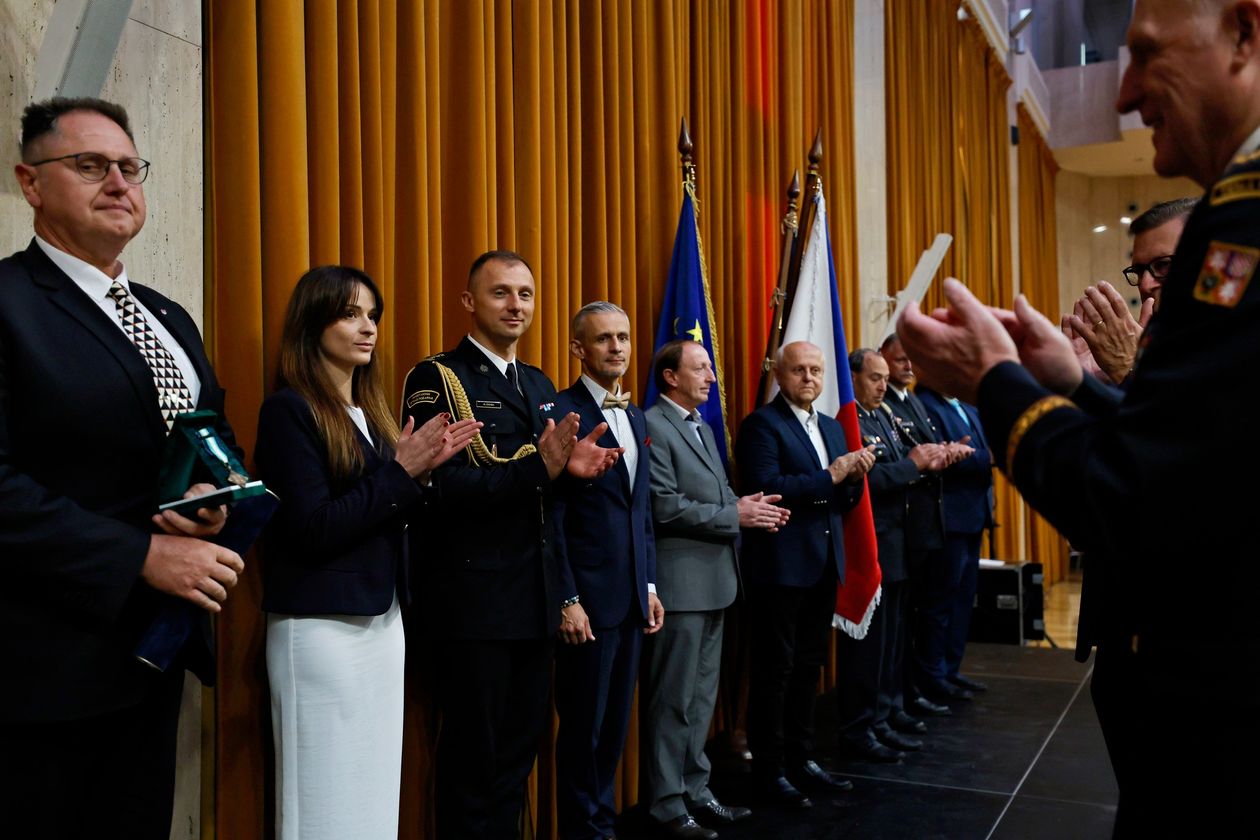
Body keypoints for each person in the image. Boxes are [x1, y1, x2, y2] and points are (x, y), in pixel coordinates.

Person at [897, 1, 1260, 833]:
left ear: (1243, 33)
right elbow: (1197, 447)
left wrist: (995, 381)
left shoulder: (1241, 225)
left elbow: (1140, 498)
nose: (1126, 92)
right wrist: (1069, 381)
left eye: (1146, 53)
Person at [0, 97, 245, 838]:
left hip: (154, 654)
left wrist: (216, 490)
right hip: (42, 669)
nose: (117, 182)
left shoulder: (169, 316)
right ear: (30, 183)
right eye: (88, 165)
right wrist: (140, 554)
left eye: (129, 167)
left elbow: (214, 434)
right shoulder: (8, 304)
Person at [254, 266, 480, 839]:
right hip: (320, 626)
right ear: (313, 321)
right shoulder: (289, 411)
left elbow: (387, 513)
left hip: (382, 619)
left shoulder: (375, 417)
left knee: (374, 786)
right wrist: (403, 473)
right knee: (320, 797)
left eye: (373, 315)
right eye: (350, 313)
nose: (368, 327)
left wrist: (422, 478)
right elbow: (311, 528)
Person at [400, 250, 618, 839]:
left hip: (534, 601)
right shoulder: (438, 378)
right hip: (473, 602)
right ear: (470, 303)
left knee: (517, 760)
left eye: (524, 293)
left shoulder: (540, 383)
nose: (515, 305)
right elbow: (440, 490)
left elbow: (546, 504)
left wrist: (569, 473)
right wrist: (543, 469)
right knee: (475, 760)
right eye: (500, 293)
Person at [641, 339, 788, 840]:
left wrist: (744, 504)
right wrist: (735, 514)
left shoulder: (700, 425)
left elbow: (710, 495)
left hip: (718, 583)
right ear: (669, 377)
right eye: (699, 368)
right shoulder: (653, 426)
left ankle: (697, 791)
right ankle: (665, 803)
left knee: (701, 700)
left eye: (709, 368)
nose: (710, 377)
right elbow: (663, 506)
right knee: (672, 701)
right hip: (681, 588)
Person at [735, 341, 872, 808]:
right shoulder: (761, 425)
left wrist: (852, 480)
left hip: (823, 562)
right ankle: (770, 770)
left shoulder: (833, 428)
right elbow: (766, 488)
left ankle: (802, 758)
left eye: (815, 370)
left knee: (809, 668)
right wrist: (834, 476)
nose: (809, 378)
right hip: (779, 567)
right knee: (775, 670)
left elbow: (841, 499)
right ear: (779, 374)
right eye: (799, 370)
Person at [551, 301, 665, 840]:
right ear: (579, 348)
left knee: (615, 726)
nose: (616, 347)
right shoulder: (559, 411)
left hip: (630, 598)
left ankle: (604, 824)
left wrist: (648, 584)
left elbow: (639, 510)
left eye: (622, 337)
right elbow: (552, 517)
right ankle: (583, 831)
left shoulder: (637, 414)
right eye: (603, 339)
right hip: (587, 603)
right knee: (582, 729)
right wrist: (566, 597)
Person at [836, 349, 946, 763]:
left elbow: (902, 461)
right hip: (872, 543)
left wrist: (924, 461)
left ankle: (884, 714)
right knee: (870, 646)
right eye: (874, 377)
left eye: (885, 378)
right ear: (854, 378)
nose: (883, 385)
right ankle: (860, 725)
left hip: (898, 543)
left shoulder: (881, 415)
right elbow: (871, 478)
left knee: (892, 640)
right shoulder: (850, 420)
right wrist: (915, 466)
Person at [879, 336, 973, 708]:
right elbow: (908, 456)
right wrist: (934, 455)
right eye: (898, 360)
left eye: (909, 360)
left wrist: (944, 451)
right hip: (903, 523)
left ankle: (910, 691)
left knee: (919, 615)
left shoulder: (911, 399)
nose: (906, 366)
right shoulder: (883, 405)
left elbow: (922, 448)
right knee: (916, 615)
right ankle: (907, 693)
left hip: (922, 522)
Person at [1063, 197, 1196, 383]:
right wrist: (1088, 381)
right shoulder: (1155, 342)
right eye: (1139, 271)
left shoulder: (1240, 342)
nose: (1145, 285)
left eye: (1164, 265)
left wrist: (1128, 367)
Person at [915, 387, 994, 694]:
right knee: (940, 601)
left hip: (973, 517)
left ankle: (951, 669)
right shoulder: (926, 405)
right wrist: (986, 456)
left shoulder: (966, 405)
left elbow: (981, 450)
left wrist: (983, 455)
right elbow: (950, 458)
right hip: (950, 518)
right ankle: (932, 676)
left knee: (962, 600)